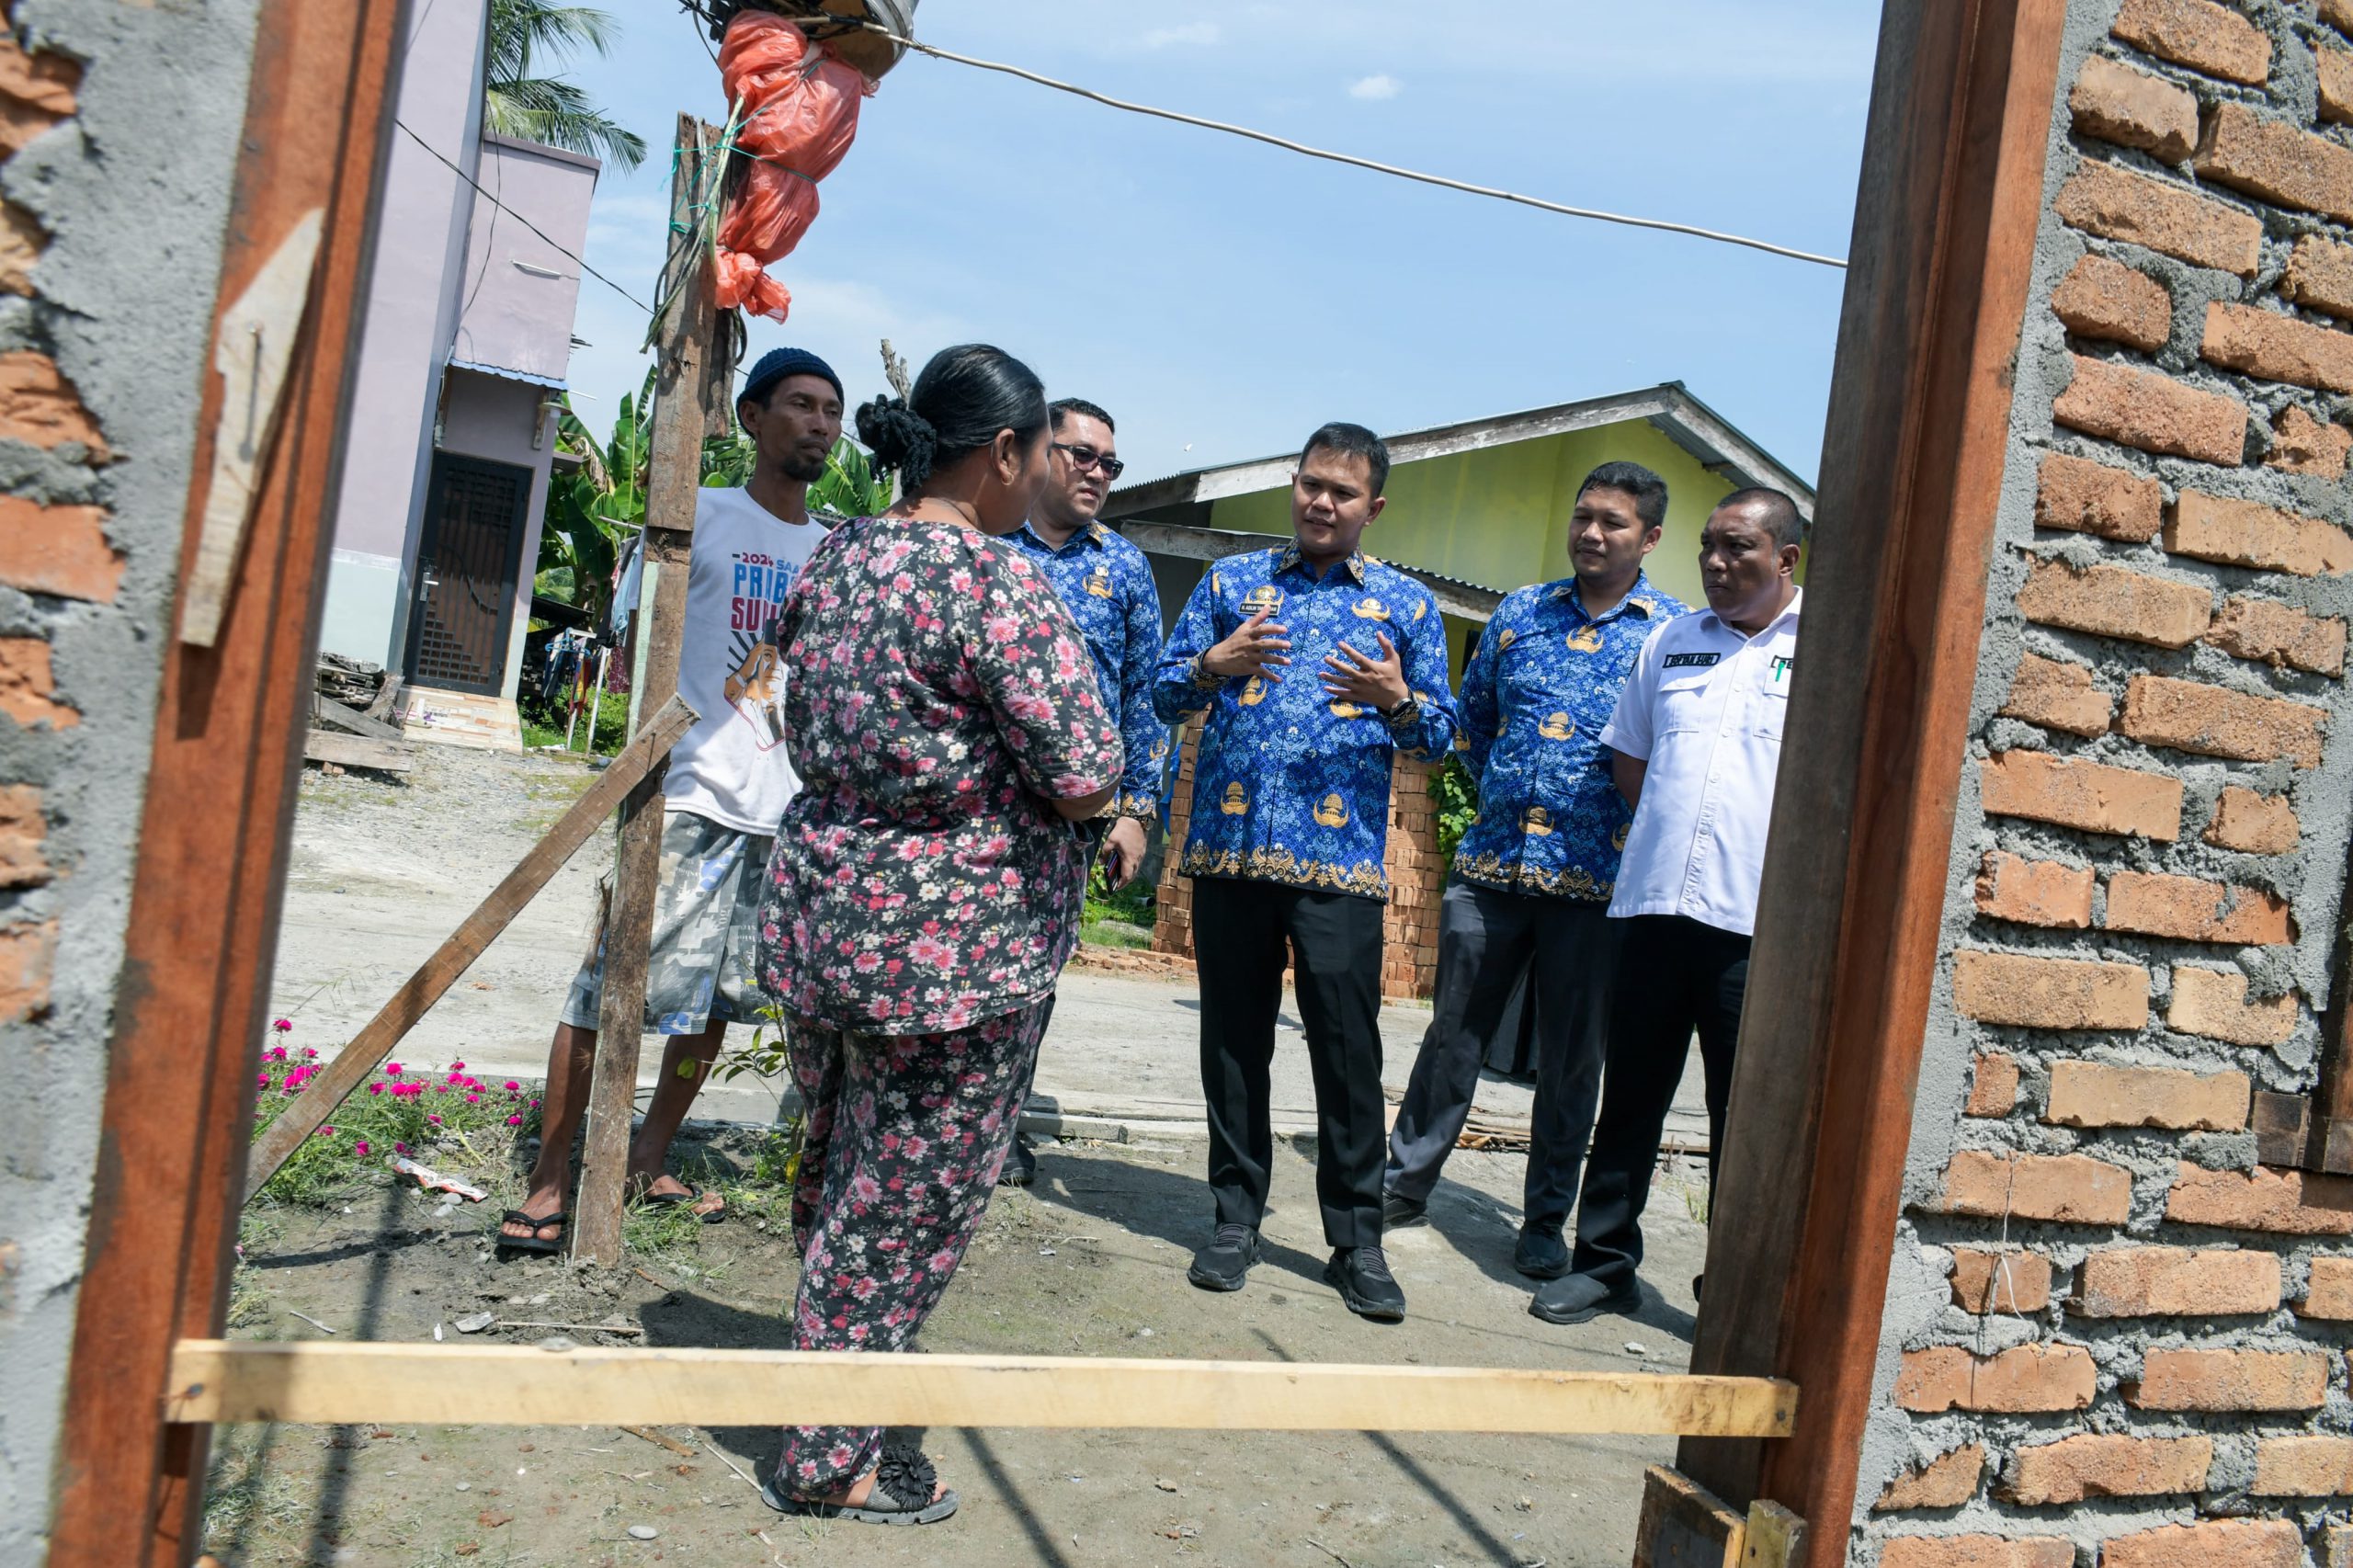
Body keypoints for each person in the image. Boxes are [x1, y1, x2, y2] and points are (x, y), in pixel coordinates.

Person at [754, 345, 1123, 1524]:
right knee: (904, 1194)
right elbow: (1081, 771)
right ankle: (828, 1454)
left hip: (829, 912)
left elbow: (785, 697)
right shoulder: (993, 583)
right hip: (952, 948)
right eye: (1043, 454)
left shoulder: (844, 552)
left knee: (837, 1159)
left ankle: (834, 1379)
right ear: (1004, 453)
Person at [499, 347, 845, 1252]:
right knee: (606, 988)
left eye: (830, 411)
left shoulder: (830, 552)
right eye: (801, 405)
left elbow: (791, 673)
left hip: (780, 813)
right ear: (753, 416)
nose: (818, 424)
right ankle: (548, 1177)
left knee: (722, 1002)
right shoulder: (698, 522)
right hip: (683, 794)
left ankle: (651, 1151)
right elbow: (629, 635)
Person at [1153, 423, 1459, 1323]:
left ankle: (1356, 1239)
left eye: (1341, 490)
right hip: (1228, 854)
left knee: (1346, 1051)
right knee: (1233, 1041)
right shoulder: (1230, 584)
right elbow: (1165, 695)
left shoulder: (1403, 606)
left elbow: (1440, 738)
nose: (1321, 502)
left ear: (1374, 505)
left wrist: (1395, 698)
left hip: (1339, 867)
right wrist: (1216, 662)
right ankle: (1233, 1218)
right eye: (1309, 484)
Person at [1382, 461, 1689, 1278]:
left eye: (1614, 523)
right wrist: (1514, 794)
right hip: (1492, 871)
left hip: (1598, 883)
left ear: (1650, 538)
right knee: (1452, 1036)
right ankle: (1404, 1184)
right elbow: (1475, 722)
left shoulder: (1671, 633)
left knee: (1570, 1062)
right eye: (1584, 516)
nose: (1592, 533)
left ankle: (1545, 1219)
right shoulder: (1520, 612)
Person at [1529, 487, 1805, 1326]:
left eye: (1740, 550)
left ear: (1785, 560)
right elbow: (1633, 761)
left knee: (1742, 1115)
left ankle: (1733, 1292)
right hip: (1652, 910)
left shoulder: (1826, 649)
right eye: (1709, 549)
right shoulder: (1671, 642)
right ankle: (1605, 1263)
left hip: (1756, 927)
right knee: (1633, 1097)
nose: (1718, 565)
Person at [998, 396, 1166, 1187]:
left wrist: (1136, 814)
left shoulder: (1124, 567)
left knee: (1035, 973)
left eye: (1111, 462)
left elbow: (1144, 701)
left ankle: (998, 1131)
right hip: (973, 803)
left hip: (1069, 817)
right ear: (1040, 451)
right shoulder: (987, 542)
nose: (1098, 472)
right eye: (1083, 455)